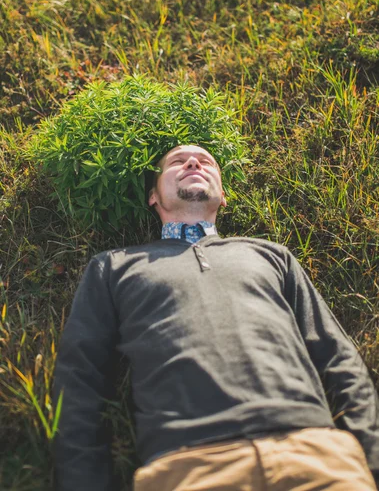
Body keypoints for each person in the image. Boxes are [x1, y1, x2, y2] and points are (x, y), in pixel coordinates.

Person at [52, 144, 379, 491]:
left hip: (315, 454)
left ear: (222, 196)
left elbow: (339, 359)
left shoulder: (270, 255)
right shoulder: (114, 266)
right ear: (153, 196)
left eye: (206, 161)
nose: (193, 161)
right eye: (177, 162)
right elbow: (78, 381)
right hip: (188, 466)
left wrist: (371, 461)